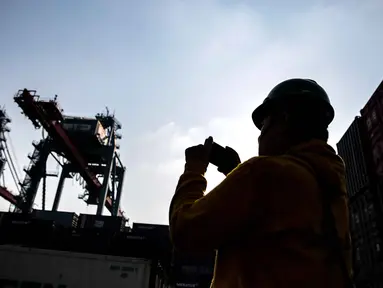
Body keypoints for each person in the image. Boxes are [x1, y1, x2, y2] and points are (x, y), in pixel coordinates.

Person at [168, 78, 352, 288]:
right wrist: (234, 172)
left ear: (283, 118)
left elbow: (184, 230)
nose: (261, 134)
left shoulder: (261, 173)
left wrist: (194, 168)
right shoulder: (330, 186)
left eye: (264, 124)